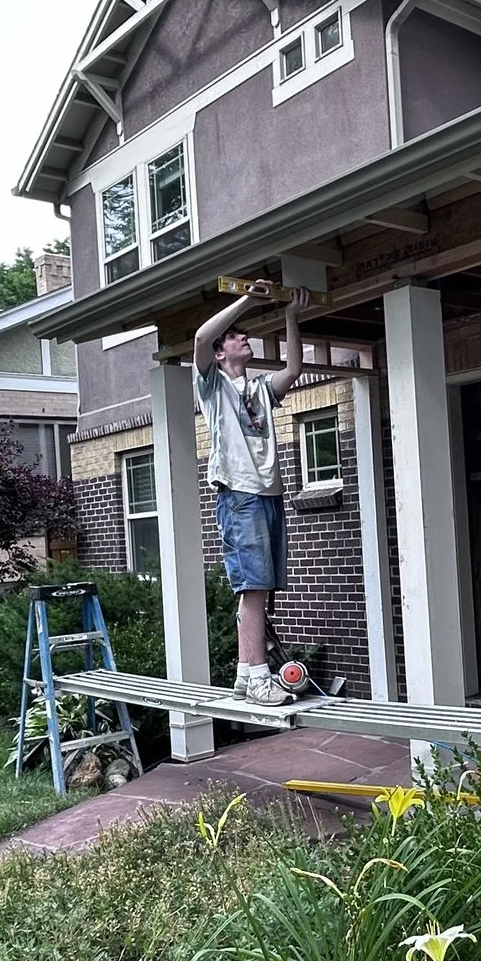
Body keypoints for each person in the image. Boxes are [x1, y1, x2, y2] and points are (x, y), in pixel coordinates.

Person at [192, 286, 310, 704]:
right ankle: (259, 677)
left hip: (268, 493)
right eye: (236, 336)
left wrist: (292, 316)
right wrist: (248, 301)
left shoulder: (259, 390)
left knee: (263, 587)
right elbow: (202, 339)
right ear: (222, 354)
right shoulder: (212, 386)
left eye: (243, 334)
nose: (244, 338)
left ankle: (245, 672)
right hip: (238, 494)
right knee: (254, 586)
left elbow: (293, 369)